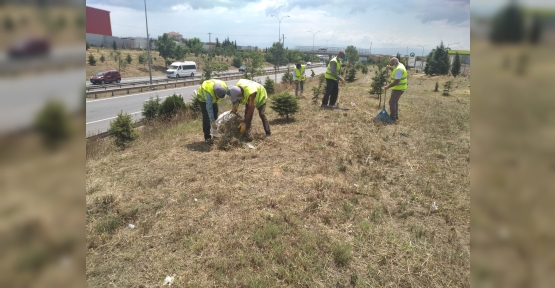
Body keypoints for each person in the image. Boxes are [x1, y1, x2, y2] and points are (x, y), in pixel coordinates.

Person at [196, 79, 228, 144]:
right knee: (206, 116)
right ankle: (207, 136)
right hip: (202, 100)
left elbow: (230, 92)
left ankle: (215, 134)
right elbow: (209, 109)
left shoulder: (224, 87)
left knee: (215, 112)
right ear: (215, 94)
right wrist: (212, 121)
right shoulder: (209, 94)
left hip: (212, 99)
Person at [383, 57, 407, 121]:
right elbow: (394, 69)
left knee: (392, 102)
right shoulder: (399, 65)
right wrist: (390, 68)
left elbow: (396, 81)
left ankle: (392, 118)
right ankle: (395, 116)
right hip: (399, 88)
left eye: (392, 64)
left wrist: (388, 86)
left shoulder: (399, 69)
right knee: (395, 102)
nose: (391, 65)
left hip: (398, 88)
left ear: (395, 62)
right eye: (390, 64)